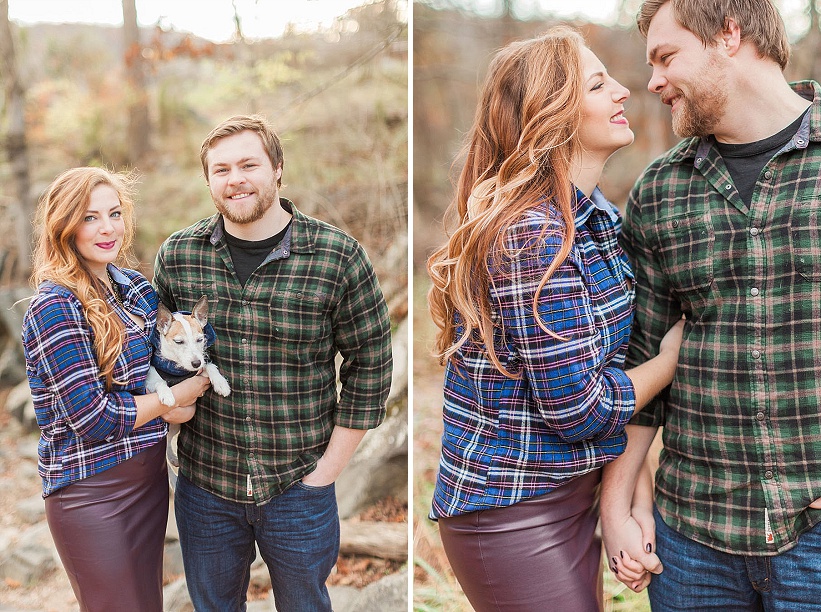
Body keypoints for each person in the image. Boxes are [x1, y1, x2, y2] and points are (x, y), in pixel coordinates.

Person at [425, 27, 684, 612]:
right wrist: (670, 361)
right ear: (553, 115)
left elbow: (614, 372)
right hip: (511, 512)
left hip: (574, 492)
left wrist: (629, 505)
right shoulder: (531, 234)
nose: (623, 90)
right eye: (598, 84)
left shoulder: (596, 218)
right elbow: (581, 408)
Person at [601, 0, 821, 609]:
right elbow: (640, 366)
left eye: (666, 56)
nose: (652, 82)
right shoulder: (660, 192)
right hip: (692, 544)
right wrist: (616, 509)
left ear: (729, 34)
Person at [152, 114, 393, 611]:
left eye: (248, 164)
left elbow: (371, 364)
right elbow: (152, 355)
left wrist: (327, 471)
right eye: (221, 170)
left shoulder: (337, 256)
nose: (235, 179)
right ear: (208, 181)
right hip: (205, 486)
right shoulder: (178, 255)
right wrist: (172, 409)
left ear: (278, 168)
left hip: (298, 485)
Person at [21, 167, 211, 612]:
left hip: (147, 480)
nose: (107, 228)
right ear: (63, 226)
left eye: (114, 213)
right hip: (90, 493)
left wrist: (179, 390)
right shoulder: (54, 305)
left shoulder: (136, 289)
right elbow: (93, 418)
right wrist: (176, 400)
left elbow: (175, 353)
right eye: (89, 218)